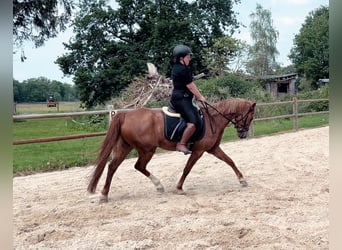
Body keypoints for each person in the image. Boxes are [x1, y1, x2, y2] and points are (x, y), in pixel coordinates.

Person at [170, 44, 207, 155]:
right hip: (181, 99)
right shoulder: (181, 69)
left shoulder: (181, 68)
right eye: (188, 56)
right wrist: (200, 96)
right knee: (193, 122)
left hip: (183, 98)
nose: (189, 58)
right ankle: (181, 144)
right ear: (182, 58)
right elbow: (190, 85)